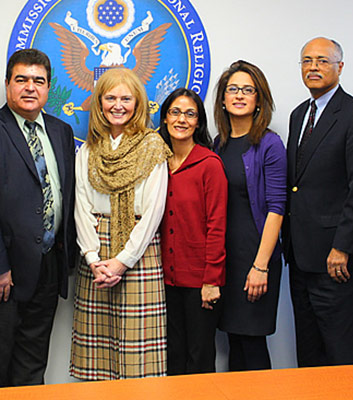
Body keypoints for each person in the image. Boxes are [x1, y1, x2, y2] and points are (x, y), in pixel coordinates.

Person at [0, 48, 76, 388]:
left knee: (32, 367)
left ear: (48, 87)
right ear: (7, 84)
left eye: (39, 81)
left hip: (48, 265)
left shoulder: (61, 131)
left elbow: (65, 196)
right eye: (22, 80)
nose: (30, 87)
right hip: (2, 274)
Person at [284, 37, 353, 367]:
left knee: (343, 350)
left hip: (335, 260)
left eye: (323, 61)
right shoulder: (299, 114)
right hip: (300, 257)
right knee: (309, 351)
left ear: (340, 67)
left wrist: (343, 246)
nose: (313, 67)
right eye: (307, 61)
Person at [71, 68, 171, 380]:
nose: (118, 105)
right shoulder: (88, 150)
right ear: (99, 103)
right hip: (97, 253)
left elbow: (153, 213)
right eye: (110, 97)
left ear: (137, 103)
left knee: (138, 354)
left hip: (138, 253)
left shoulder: (153, 146)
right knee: (97, 355)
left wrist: (122, 262)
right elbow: (82, 207)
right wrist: (93, 259)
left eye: (126, 98)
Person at [211, 61, 287, 371]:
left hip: (255, 259)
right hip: (225, 262)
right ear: (223, 99)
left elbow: (276, 208)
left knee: (252, 344)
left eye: (248, 90)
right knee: (234, 343)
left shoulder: (269, 144)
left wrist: (261, 266)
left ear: (259, 99)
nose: (239, 96)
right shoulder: (218, 145)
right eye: (233, 89)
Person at [157, 88, 227, 375]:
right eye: (175, 112)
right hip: (165, 279)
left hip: (200, 282)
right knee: (172, 354)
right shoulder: (157, 164)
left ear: (198, 122)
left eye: (190, 114)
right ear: (164, 119)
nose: (182, 119)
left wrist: (211, 280)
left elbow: (217, 225)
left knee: (198, 356)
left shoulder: (209, 165)